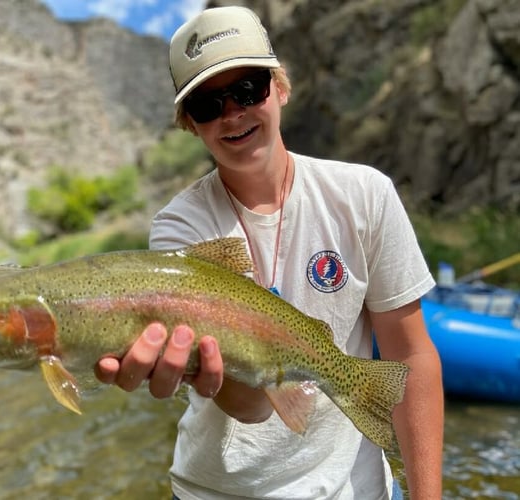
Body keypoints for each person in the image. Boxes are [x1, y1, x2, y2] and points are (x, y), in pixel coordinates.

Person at [96, 6, 443, 499]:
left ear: (280, 88)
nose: (232, 114)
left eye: (247, 90)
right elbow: (252, 407)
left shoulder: (364, 195)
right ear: (189, 125)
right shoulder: (180, 226)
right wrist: (216, 374)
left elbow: (411, 354)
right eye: (207, 105)